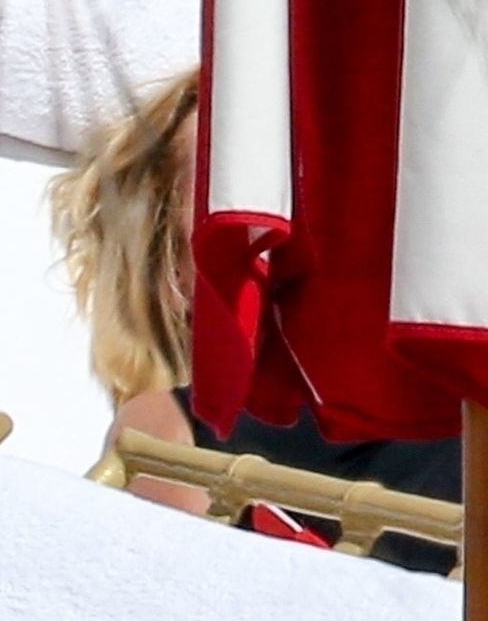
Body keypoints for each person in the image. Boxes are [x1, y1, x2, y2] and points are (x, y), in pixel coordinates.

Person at [52, 69, 459, 573]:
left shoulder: (462, 380)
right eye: (240, 204)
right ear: (175, 275)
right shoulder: (174, 429)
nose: (291, 224)